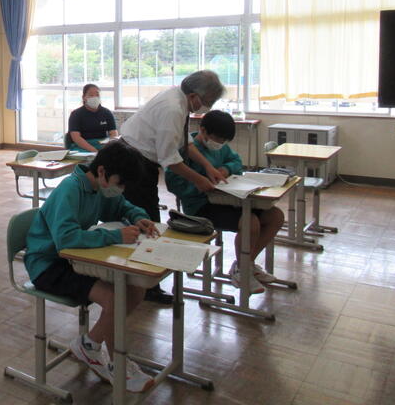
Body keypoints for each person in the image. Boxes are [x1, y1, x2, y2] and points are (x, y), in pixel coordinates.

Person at [24, 141, 158, 393]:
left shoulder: (100, 188)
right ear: (102, 171)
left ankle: (103, 352)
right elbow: (66, 239)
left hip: (74, 259)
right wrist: (115, 236)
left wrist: (138, 216)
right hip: (48, 265)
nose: (121, 189)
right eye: (120, 183)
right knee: (116, 298)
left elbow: (121, 206)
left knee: (135, 289)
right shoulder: (70, 189)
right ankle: (93, 348)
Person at [119, 70, 227, 305]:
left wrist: (207, 166)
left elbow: (185, 142)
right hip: (133, 162)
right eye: (207, 102)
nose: (207, 107)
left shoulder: (179, 100)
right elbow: (170, 160)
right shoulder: (173, 108)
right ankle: (144, 284)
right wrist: (199, 180)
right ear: (194, 96)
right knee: (146, 221)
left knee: (148, 218)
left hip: (141, 159)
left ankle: (143, 282)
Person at [165, 110, 284, 293]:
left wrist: (226, 170)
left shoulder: (221, 148)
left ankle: (246, 264)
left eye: (224, 141)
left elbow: (236, 161)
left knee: (275, 216)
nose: (220, 144)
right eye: (217, 139)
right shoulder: (186, 150)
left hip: (227, 200)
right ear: (203, 131)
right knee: (250, 221)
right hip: (200, 207)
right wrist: (199, 185)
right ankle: (242, 271)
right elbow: (173, 182)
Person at [68, 84, 119, 152]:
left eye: (97, 95)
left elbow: (113, 133)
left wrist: (109, 147)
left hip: (103, 146)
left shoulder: (107, 113)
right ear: (83, 97)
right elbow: (76, 137)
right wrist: (94, 151)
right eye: (91, 95)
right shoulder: (76, 114)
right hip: (82, 147)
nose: (94, 97)